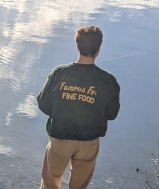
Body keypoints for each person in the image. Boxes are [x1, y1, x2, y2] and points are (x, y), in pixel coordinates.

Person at [37, 25, 120, 189]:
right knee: (79, 186)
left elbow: (43, 104)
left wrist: (61, 112)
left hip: (60, 138)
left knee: (50, 183)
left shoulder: (60, 72)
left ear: (77, 46)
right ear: (99, 49)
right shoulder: (108, 80)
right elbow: (112, 114)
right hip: (89, 142)